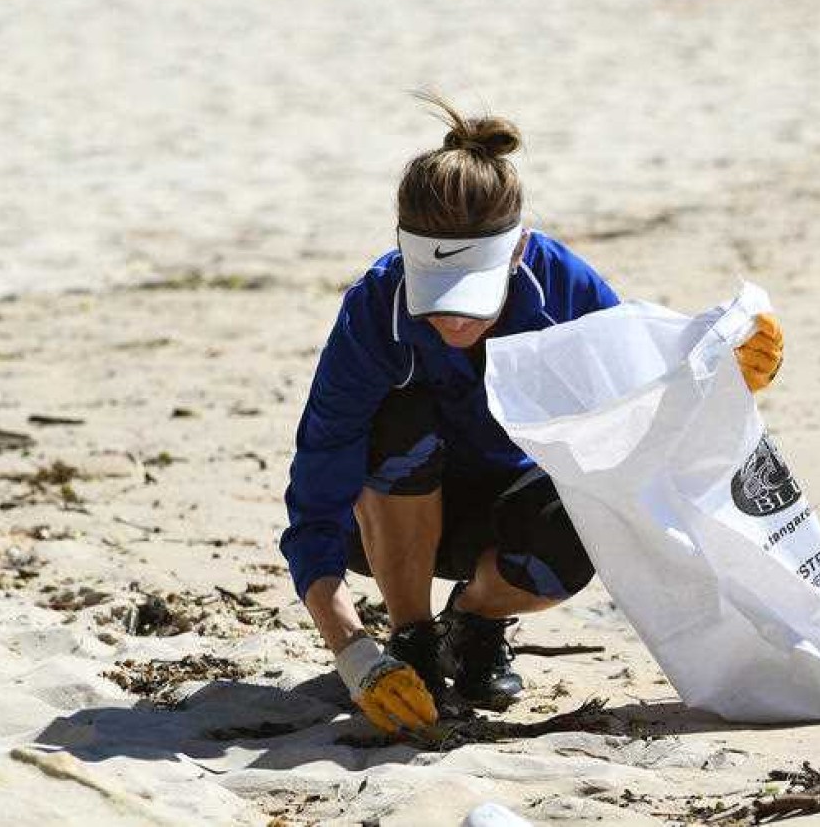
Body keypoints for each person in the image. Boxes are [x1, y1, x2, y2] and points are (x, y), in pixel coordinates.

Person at [279, 94, 784, 735]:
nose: (453, 318)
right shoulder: (374, 313)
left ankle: (476, 621)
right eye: (435, 296)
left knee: (586, 518)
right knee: (397, 423)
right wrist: (355, 656)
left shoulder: (562, 284)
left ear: (517, 252)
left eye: (472, 297)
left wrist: (728, 379)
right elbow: (314, 506)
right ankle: (411, 637)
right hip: (389, 519)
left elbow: (642, 404)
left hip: (516, 512)